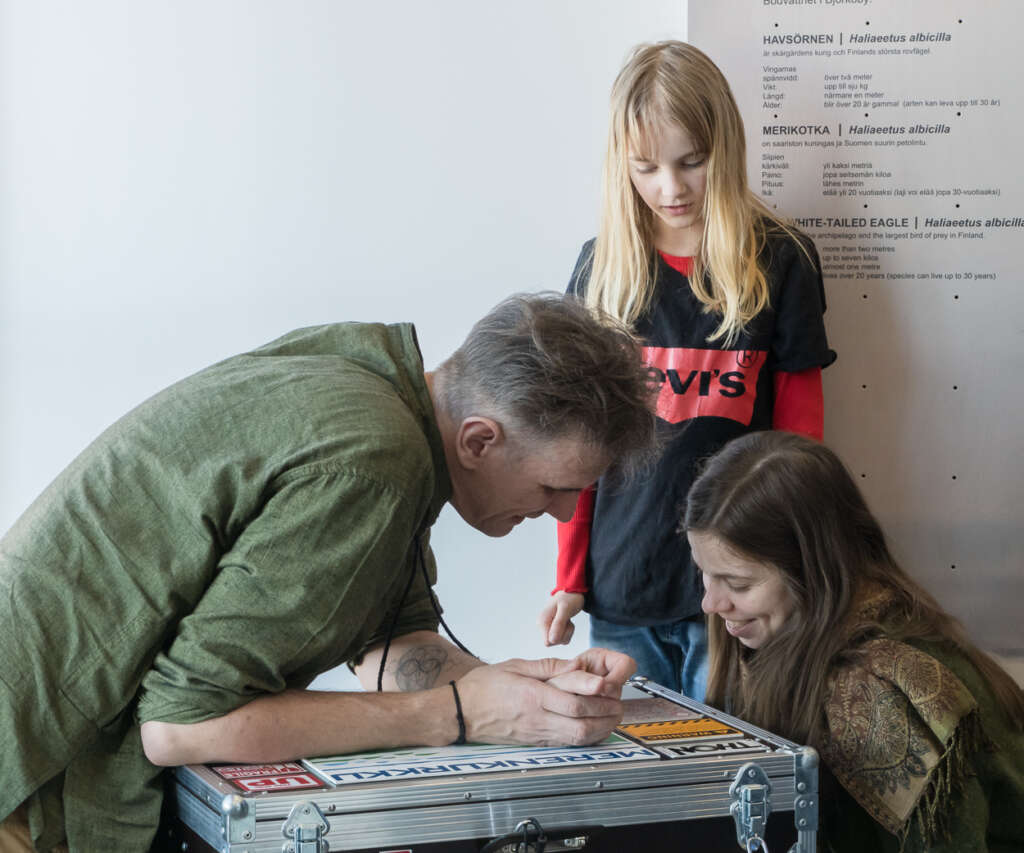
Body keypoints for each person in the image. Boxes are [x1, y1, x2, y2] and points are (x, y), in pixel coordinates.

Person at [0, 292, 658, 853]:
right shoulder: (376, 462)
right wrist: (455, 715)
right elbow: (182, 724)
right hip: (29, 778)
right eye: (553, 485)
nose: (566, 511)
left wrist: (521, 690)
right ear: (480, 440)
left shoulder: (377, 387)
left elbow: (389, 639)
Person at [538, 40, 835, 701]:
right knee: (638, 788)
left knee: (737, 778)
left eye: (691, 163)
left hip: (736, 597)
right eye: (646, 168)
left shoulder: (782, 262)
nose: (669, 189)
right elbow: (573, 449)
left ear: (723, 148)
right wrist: (569, 578)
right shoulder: (601, 272)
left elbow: (799, 445)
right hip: (623, 591)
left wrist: (795, 568)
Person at [685, 431, 1024, 852]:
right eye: (705, 572)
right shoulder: (784, 628)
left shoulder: (874, 692)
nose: (710, 602)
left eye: (737, 582)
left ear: (813, 573)